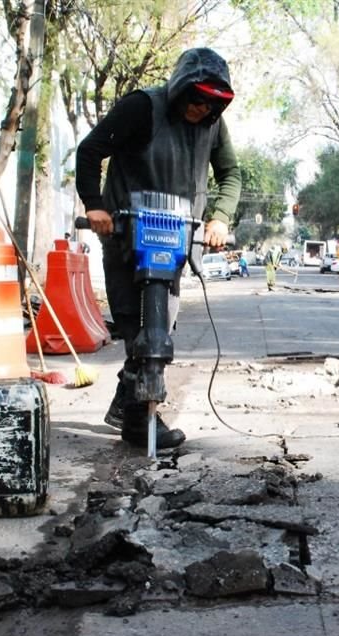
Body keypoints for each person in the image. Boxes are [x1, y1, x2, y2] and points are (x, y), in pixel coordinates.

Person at [75, 48, 241, 449]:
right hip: (126, 236)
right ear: (181, 89)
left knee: (160, 329)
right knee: (136, 327)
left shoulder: (214, 128)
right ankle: (139, 422)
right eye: (196, 99)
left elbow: (230, 173)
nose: (202, 109)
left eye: (211, 104)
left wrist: (220, 216)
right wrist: (94, 205)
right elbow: (91, 150)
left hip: (174, 239)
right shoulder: (141, 107)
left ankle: (130, 411)